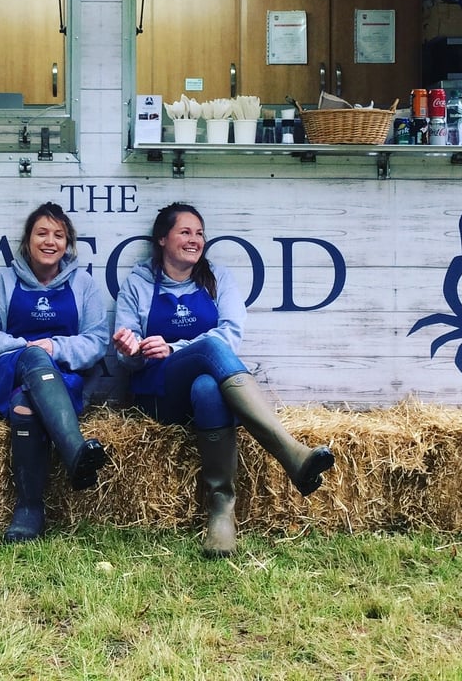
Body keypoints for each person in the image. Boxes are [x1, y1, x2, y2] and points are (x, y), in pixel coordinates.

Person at [112, 202, 335, 558]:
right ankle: (289, 453)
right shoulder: (138, 284)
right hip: (158, 394)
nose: (195, 239)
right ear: (162, 239)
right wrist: (133, 348)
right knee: (211, 348)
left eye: (199, 233)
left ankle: (221, 515)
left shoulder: (217, 277)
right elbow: (126, 356)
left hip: (202, 396)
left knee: (208, 388)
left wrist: (173, 345)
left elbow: (231, 334)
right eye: (185, 232)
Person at [0, 202, 110, 543]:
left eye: (59, 235)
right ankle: (74, 449)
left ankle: (29, 510)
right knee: (33, 358)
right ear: (27, 241)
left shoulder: (83, 284)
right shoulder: (4, 281)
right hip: (8, 373)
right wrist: (28, 347)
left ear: (68, 244)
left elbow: (98, 341)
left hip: (62, 380)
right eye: (42, 233)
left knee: (26, 408)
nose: (50, 241)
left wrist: (55, 349)